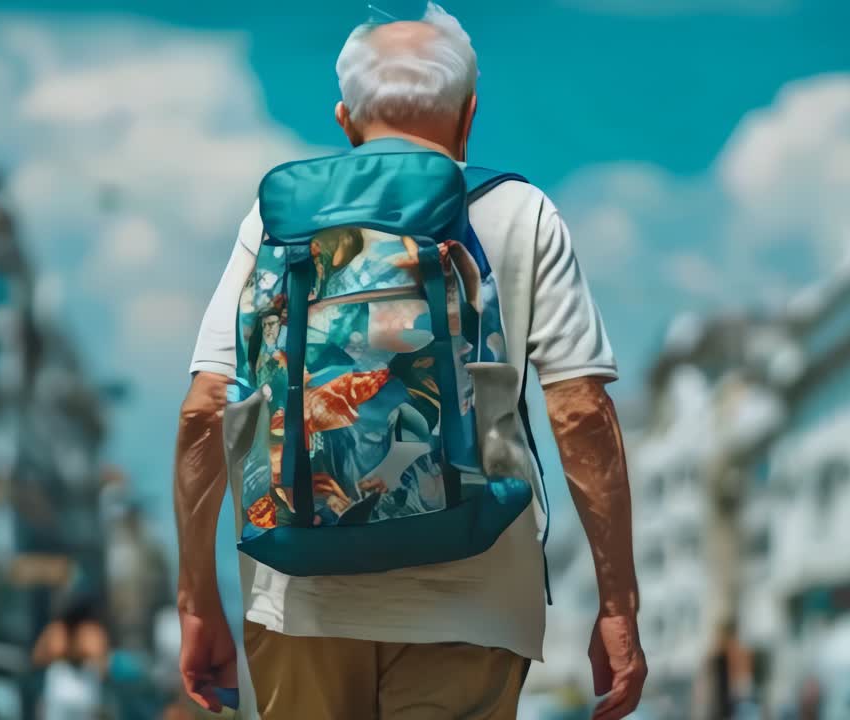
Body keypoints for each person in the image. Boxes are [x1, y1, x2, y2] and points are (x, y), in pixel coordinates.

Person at [173, 3, 646, 718]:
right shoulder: (524, 213)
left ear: (345, 119)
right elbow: (580, 412)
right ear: (468, 115)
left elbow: (205, 409)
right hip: (476, 597)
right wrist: (618, 600)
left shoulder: (275, 223)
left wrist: (196, 596)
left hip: (300, 599)